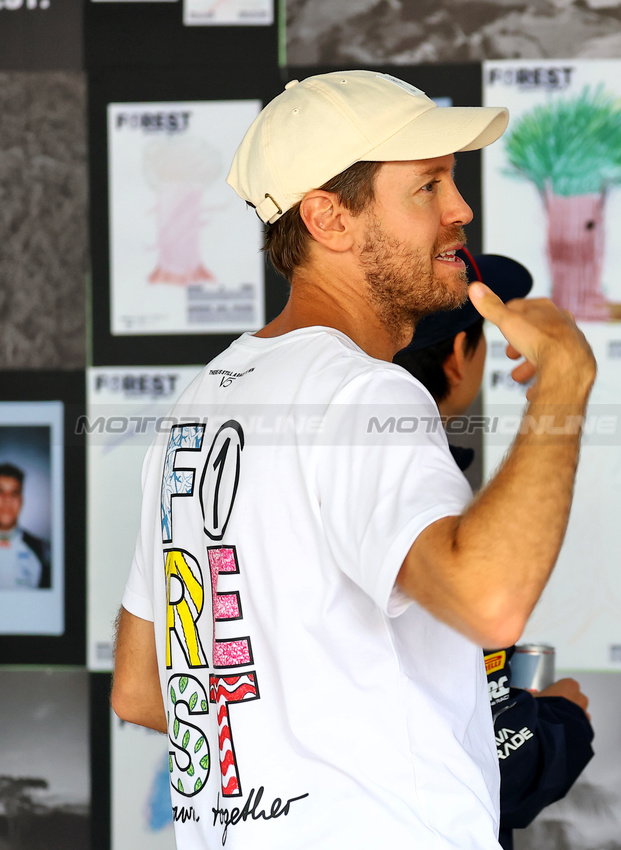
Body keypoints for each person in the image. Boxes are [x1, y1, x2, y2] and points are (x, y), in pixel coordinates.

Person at [110, 70, 596, 849]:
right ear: (329, 218)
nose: (460, 209)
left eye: (453, 182)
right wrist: (564, 384)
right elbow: (488, 602)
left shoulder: (198, 405)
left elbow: (142, 690)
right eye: (427, 186)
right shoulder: (364, 393)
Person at [393, 248, 595, 850]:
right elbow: (496, 768)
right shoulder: (431, 495)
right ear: (460, 358)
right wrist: (562, 722)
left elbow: (142, 694)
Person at [0, 462, 51, 590]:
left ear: (22, 500)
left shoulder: (42, 552)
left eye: (14, 493)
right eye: (0, 492)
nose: (7, 499)